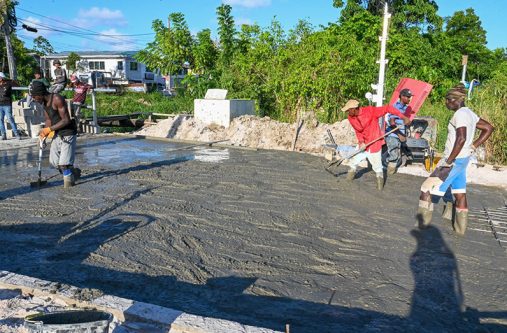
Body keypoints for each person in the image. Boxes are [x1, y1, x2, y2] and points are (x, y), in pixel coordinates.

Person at [416, 84, 494, 235]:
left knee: (426, 189)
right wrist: (474, 146)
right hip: (463, 159)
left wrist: (449, 160)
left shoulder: (460, 114)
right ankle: (460, 231)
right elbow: (489, 128)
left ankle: (421, 232)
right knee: (459, 193)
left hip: (454, 160)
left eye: (446, 100)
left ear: (453, 100)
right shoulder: (470, 113)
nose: (445, 103)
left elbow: (461, 138)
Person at [341, 99, 410, 190]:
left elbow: (387, 108)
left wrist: (403, 117)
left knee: (377, 167)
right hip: (363, 144)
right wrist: (361, 142)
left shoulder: (370, 111)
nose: (347, 112)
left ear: (354, 109)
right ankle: (348, 180)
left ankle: (380, 186)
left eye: (348, 110)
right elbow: (358, 131)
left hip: (374, 143)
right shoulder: (351, 118)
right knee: (353, 161)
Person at [30, 80, 80, 188]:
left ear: (40, 94)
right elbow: (48, 120)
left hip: (68, 133)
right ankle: (73, 173)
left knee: (63, 164)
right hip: (58, 133)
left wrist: (49, 129)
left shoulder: (57, 99)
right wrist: (44, 134)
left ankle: (69, 185)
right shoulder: (44, 103)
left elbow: (66, 120)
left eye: (34, 97)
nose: (34, 99)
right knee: (54, 162)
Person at [385, 88, 415, 174]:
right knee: (393, 154)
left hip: (400, 134)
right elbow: (392, 122)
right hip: (393, 135)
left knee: (402, 151)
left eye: (410, 97)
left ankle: (391, 172)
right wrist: (399, 135)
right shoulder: (396, 107)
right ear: (402, 96)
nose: (409, 99)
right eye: (408, 97)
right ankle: (389, 173)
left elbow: (402, 121)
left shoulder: (405, 108)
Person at [0, 72, 20, 140]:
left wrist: (11, 80)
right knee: (0, 120)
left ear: (2, 78)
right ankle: (3, 135)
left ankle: (16, 134)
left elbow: (17, 86)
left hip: (7, 104)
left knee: (10, 119)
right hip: (0, 105)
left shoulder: (8, 83)